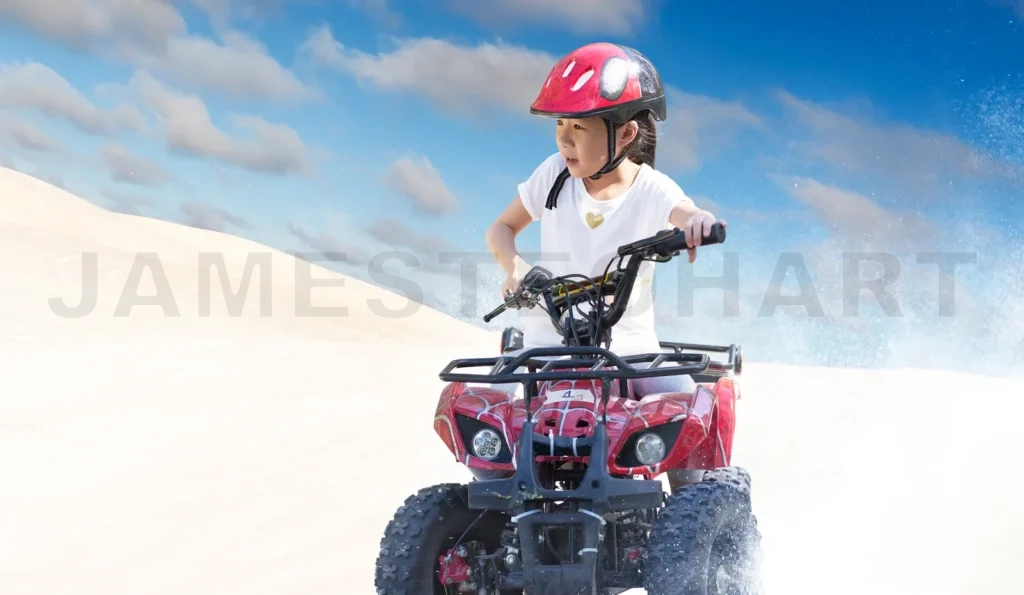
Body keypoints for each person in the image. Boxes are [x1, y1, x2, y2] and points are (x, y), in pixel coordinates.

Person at [485, 42, 724, 491]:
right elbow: (500, 227)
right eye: (560, 124)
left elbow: (686, 212)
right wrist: (512, 266)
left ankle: (695, 530)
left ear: (626, 135)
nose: (564, 139)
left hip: (629, 350)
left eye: (579, 126)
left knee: (691, 415)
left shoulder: (651, 188)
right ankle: (490, 522)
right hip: (544, 346)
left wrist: (699, 224)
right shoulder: (554, 173)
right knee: (481, 417)